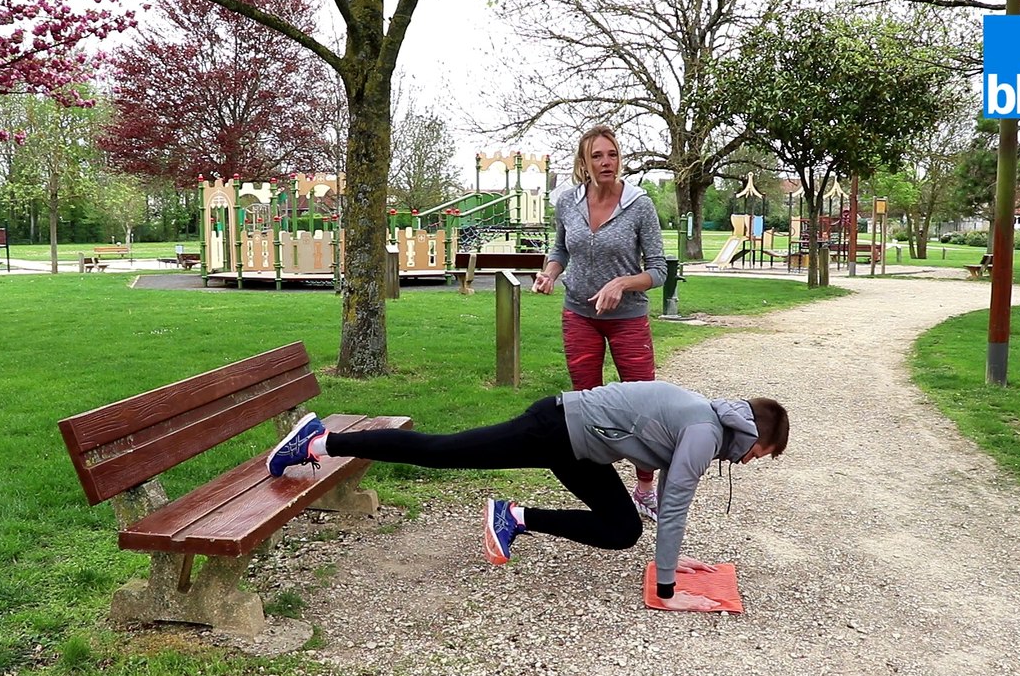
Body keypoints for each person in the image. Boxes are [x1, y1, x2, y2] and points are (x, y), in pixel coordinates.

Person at [266, 381, 789, 612]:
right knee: (441, 451)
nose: (750, 461)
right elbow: (675, 506)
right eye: (759, 453)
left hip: (582, 447)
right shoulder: (704, 432)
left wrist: (672, 554)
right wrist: (670, 589)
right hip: (555, 428)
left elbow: (660, 467)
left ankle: (512, 516)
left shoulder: (706, 420)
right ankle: (321, 441)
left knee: (622, 529)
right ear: (751, 435)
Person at [532, 125, 668, 522]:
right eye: (597, 156)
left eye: (612, 154)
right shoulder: (568, 202)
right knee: (586, 405)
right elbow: (560, 249)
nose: (606, 162)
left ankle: (645, 487)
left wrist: (623, 283)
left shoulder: (639, 205)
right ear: (584, 163)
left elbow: (658, 270)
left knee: (644, 403)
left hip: (628, 319)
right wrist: (550, 273)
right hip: (579, 315)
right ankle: (603, 494)